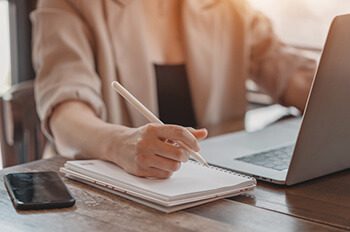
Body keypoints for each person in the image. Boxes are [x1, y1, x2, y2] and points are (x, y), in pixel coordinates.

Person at [31, 0, 315, 179]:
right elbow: (65, 113)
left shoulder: (230, 6)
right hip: (110, 197)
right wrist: (119, 144)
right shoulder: (69, 4)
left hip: (211, 185)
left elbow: (289, 74)